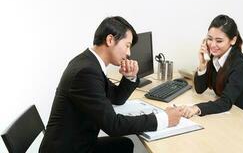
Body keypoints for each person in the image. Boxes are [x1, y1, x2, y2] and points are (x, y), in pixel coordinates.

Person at [39, 16, 182, 153]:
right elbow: (113, 125)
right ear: (110, 40)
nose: (129, 53)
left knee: (125, 145)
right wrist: (163, 118)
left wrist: (129, 77)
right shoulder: (87, 71)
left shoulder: (89, 62)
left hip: (76, 142)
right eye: (127, 46)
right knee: (124, 144)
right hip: (68, 149)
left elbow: (117, 98)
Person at [180, 15, 243, 118]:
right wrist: (202, 65)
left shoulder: (242, 65)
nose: (212, 45)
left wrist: (196, 108)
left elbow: (225, 102)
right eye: (210, 39)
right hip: (227, 116)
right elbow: (199, 89)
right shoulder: (214, 58)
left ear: (233, 40)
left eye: (219, 41)